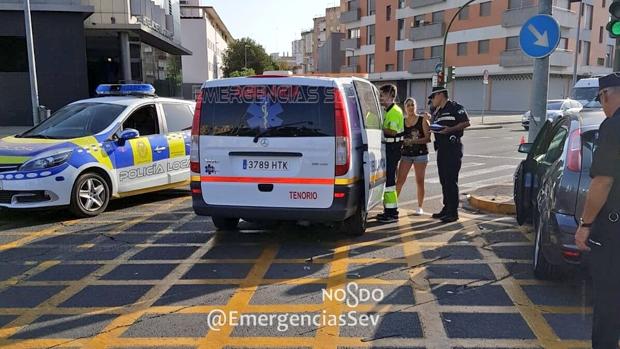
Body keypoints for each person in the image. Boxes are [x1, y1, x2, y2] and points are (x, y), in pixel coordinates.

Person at [575, 73, 620, 349]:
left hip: (614, 230)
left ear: (607, 95)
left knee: (609, 302)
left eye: (601, 99)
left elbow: (602, 180)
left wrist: (585, 224)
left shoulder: (613, 127)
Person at [428, 86, 470, 223]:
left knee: (451, 180)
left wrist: (450, 129)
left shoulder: (454, 107)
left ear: (440, 95)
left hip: (453, 148)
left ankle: (453, 212)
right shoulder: (437, 111)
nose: (432, 100)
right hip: (441, 148)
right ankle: (446, 208)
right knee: (444, 180)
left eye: (433, 97)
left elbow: (466, 122)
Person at [396, 98, 431, 215]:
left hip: (420, 155)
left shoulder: (422, 120)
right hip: (405, 155)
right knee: (400, 180)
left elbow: (428, 138)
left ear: (415, 106)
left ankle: (420, 206)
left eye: (412, 105)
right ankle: (393, 205)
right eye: (408, 105)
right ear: (405, 108)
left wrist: (413, 141)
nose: (410, 107)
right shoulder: (402, 121)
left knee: (419, 181)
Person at [376, 84, 404, 223]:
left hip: (392, 149)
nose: (380, 98)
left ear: (390, 96)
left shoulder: (394, 112)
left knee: (390, 182)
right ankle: (388, 210)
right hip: (390, 148)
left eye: (382, 95)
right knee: (388, 181)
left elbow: (392, 132)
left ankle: (392, 213)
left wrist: (378, 128)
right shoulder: (388, 110)